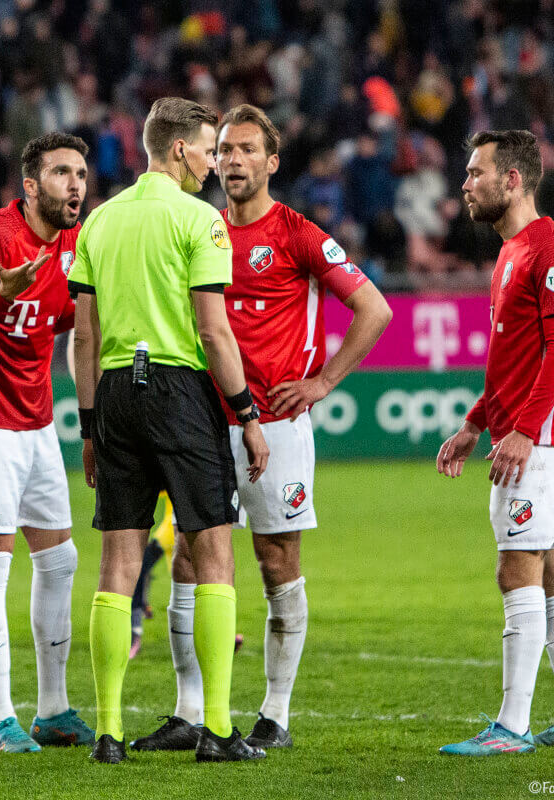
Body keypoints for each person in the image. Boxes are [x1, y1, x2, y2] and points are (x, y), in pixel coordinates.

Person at [131, 104, 393, 752]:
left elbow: (374, 308)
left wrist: (324, 382)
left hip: (275, 426)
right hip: (202, 423)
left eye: (248, 150)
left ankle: (275, 713)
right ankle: (190, 711)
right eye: (224, 150)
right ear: (210, 159)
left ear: (272, 161)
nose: (234, 161)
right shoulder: (201, 230)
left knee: (276, 562)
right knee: (190, 558)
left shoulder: (298, 234)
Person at [68, 96, 270, 764]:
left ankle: (106, 732)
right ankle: (216, 729)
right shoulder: (200, 220)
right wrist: (246, 414)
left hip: (117, 393)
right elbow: (213, 329)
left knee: (117, 565)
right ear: (180, 149)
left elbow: (84, 337)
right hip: (179, 389)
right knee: (212, 555)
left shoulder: (98, 222)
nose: (215, 163)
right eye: (211, 149)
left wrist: (91, 424)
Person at [436, 129, 554, 755]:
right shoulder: (512, 252)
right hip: (530, 431)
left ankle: (511, 727)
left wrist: (525, 430)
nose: (465, 183)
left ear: (512, 180)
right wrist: (476, 422)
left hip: (545, 436)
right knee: (550, 569)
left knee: (517, 570)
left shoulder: (550, 251)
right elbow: (511, 361)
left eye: (476, 172)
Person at [0, 132, 95, 753]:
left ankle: (52, 709)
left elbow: (58, 318)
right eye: (61, 174)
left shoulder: (75, 246)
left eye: (81, 174)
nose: (76, 185)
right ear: (30, 187)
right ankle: (0, 717)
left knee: (60, 560)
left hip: (36, 425)